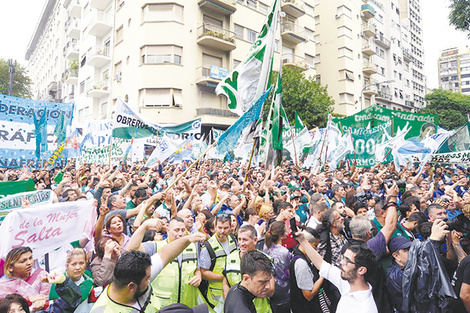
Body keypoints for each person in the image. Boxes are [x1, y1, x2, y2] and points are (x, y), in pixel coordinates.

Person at [91, 233, 206, 313]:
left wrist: (187, 239)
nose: (150, 279)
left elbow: (165, 254)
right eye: (147, 279)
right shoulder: (102, 310)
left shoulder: (139, 275)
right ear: (131, 286)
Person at [127, 217, 203, 309]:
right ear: (168, 230)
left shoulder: (193, 247)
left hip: (186, 305)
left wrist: (198, 276)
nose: (180, 233)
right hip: (161, 306)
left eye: (183, 230)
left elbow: (197, 268)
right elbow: (131, 249)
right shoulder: (155, 246)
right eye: (176, 230)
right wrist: (144, 225)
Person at [297, 233, 379, 312]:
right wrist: (302, 240)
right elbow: (321, 265)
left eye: (347, 260)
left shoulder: (366, 308)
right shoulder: (347, 283)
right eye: (343, 258)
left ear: (361, 270)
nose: (341, 262)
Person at [222, 225, 274, 312]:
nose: (241, 243)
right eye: (239, 239)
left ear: (255, 240)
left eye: (245, 240)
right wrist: (231, 301)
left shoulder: (265, 259)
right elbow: (225, 282)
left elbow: (271, 290)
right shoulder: (230, 258)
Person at [200, 214, 238, 312]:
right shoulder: (208, 246)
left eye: (225, 228)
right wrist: (224, 277)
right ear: (215, 227)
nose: (222, 231)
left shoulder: (233, 240)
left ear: (230, 227)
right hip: (216, 296)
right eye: (220, 228)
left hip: (234, 291)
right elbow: (203, 272)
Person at [0, 247, 50, 312]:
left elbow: (45, 299)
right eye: (23, 261)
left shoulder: (41, 276)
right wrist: (28, 300)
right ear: (10, 267)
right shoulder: (3, 285)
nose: (29, 263)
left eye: (30, 258)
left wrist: (42, 302)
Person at [289, 227, 325, 313]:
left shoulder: (299, 253)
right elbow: (308, 295)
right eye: (315, 246)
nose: (316, 250)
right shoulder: (301, 263)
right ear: (307, 243)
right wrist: (323, 275)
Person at [48, 248, 94, 313]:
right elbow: (79, 297)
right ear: (67, 265)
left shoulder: (89, 275)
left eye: (81, 263)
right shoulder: (57, 284)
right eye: (74, 264)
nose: (78, 267)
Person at [261, 221, 292, 313]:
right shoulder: (284, 252)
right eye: (286, 231)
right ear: (281, 236)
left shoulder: (266, 246)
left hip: (269, 286)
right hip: (282, 289)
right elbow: (288, 271)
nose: (288, 232)